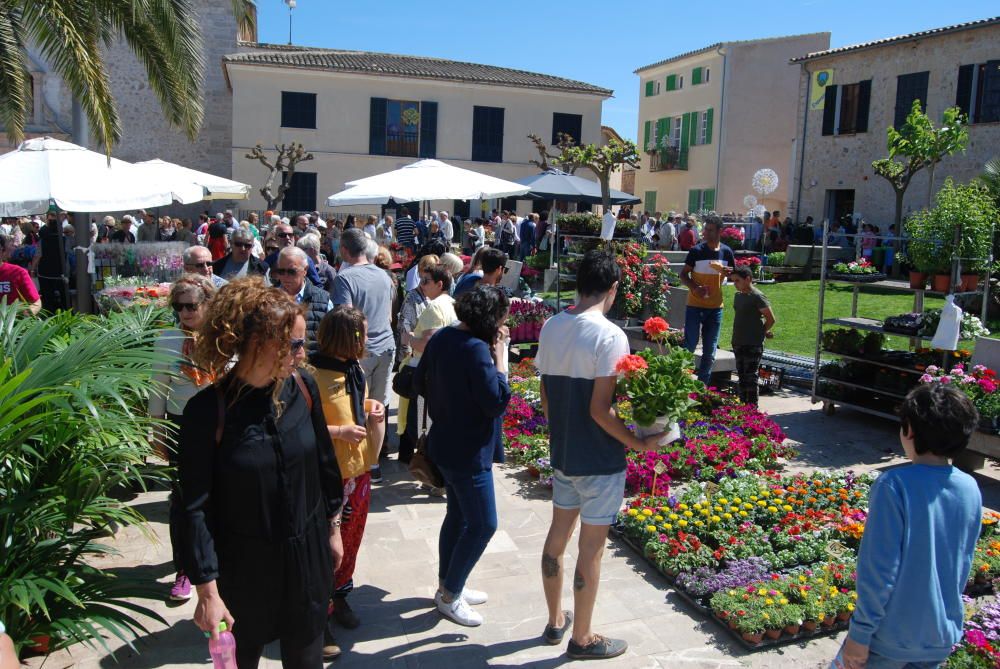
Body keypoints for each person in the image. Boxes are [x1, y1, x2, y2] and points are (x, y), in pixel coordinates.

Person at [178, 279, 344, 669]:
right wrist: (206, 591)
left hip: (306, 562)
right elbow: (194, 508)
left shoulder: (302, 387)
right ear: (258, 343)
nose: (303, 355)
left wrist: (333, 528)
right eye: (295, 344)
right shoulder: (208, 412)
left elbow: (324, 463)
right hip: (243, 573)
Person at [535, 250, 662, 660]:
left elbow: (546, 394)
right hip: (600, 461)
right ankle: (583, 638)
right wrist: (639, 442)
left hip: (564, 454)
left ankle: (556, 621)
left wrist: (560, 434)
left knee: (557, 538)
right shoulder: (610, 335)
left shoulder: (552, 325)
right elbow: (600, 409)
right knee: (590, 550)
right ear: (612, 289)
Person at [830, 384, 981, 669]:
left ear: (909, 430)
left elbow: (879, 570)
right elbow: (962, 562)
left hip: (889, 637)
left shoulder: (894, 486)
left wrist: (859, 635)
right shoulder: (969, 488)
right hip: (939, 635)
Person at [414, 286, 512, 627]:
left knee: (457, 516)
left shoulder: (442, 337)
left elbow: (420, 379)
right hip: (467, 451)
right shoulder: (475, 350)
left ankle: (448, 582)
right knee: (484, 523)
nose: (504, 325)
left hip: (444, 441)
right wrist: (500, 359)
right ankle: (450, 594)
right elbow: (496, 401)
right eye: (501, 318)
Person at [311, 306, 386, 659]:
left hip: (358, 473)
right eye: (363, 333)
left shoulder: (353, 370)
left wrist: (370, 406)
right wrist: (339, 431)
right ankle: (318, 620)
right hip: (327, 478)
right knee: (328, 551)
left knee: (351, 544)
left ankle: (340, 597)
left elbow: (354, 406)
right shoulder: (311, 375)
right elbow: (297, 427)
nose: (367, 339)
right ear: (347, 337)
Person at [149, 274, 217, 602]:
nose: (185, 312)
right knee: (183, 500)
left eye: (192, 305)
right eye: (179, 306)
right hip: (181, 425)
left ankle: (216, 565)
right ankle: (185, 569)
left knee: (220, 497)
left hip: (218, 426)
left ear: (208, 303)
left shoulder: (223, 337)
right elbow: (158, 388)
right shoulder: (166, 339)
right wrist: (157, 432)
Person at [332, 229, 396, 482]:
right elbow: (390, 314)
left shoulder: (344, 278)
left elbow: (345, 319)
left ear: (345, 251)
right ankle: (374, 465)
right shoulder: (384, 275)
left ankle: (359, 465)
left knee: (358, 408)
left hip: (360, 351)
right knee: (378, 408)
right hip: (386, 345)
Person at [680, 215, 735, 384]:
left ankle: (702, 387)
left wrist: (728, 273)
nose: (705, 232)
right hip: (695, 305)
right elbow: (683, 275)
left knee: (710, 351)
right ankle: (681, 380)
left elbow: (734, 276)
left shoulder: (727, 252)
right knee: (689, 346)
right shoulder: (696, 251)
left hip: (715, 307)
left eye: (709, 230)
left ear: (719, 231)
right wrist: (695, 287)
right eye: (705, 229)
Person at [729, 267, 775, 405]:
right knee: (742, 376)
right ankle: (743, 404)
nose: (735, 284)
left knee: (750, 376)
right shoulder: (738, 296)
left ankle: (752, 408)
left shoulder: (757, 296)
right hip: (738, 341)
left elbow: (771, 319)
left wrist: (761, 332)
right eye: (733, 281)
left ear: (748, 279)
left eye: (738, 280)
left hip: (753, 343)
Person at [275, 247, 333, 350]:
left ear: (305, 270)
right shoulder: (268, 298)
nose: (285, 276)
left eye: (292, 272)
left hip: (311, 363)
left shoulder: (323, 300)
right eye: (281, 271)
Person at [32, 212, 68, 313]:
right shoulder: (64, 240)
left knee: (48, 297)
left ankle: (49, 315)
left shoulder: (42, 241)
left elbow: (38, 256)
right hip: (61, 272)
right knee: (63, 296)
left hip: (45, 273)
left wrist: (32, 269)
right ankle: (66, 313)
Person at [0, 233, 41, 315]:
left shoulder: (18, 272)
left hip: (12, 324)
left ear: (3, 251)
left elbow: (36, 302)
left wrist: (26, 316)